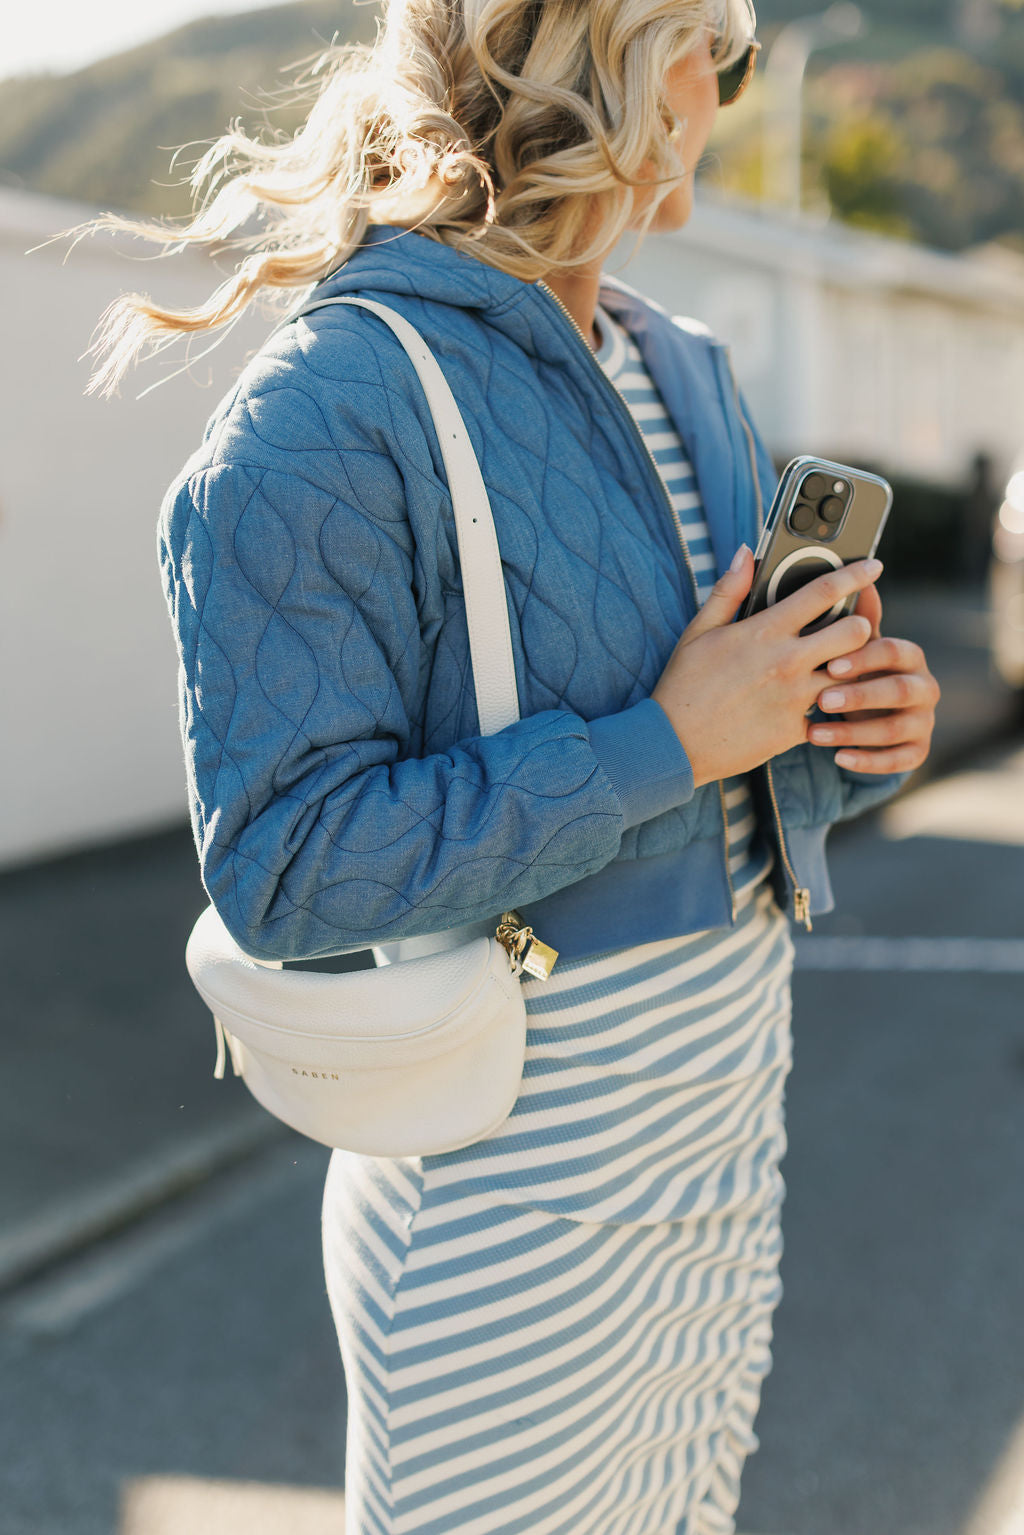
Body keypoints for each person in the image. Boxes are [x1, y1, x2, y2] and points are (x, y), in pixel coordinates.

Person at [80, 0, 939, 1529]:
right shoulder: (328, 410)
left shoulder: (683, 366)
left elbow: (733, 783)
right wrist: (669, 736)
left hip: (723, 1165)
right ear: (609, 62)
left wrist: (851, 729)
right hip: (509, 1215)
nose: (726, 86)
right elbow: (286, 867)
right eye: (711, 43)